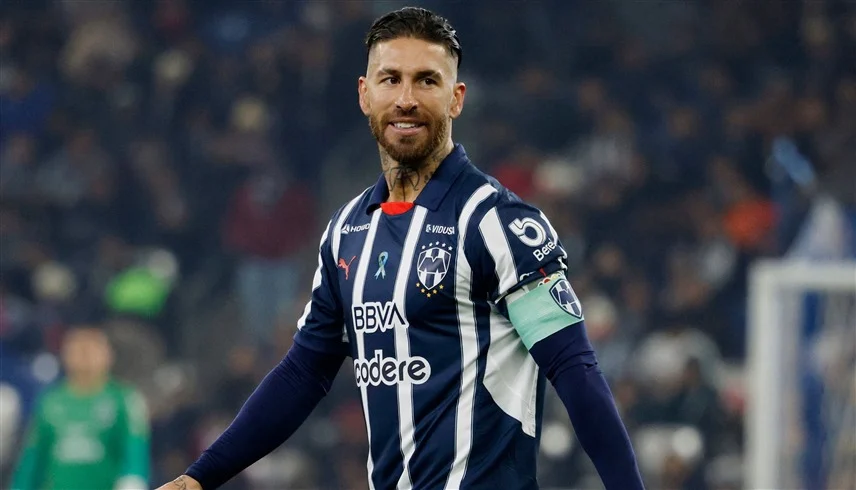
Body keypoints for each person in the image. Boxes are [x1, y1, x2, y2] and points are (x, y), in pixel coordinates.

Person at [157, 7, 644, 490]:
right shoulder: (347, 230)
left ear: (456, 99)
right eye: (391, 79)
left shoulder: (498, 222)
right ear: (364, 94)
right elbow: (303, 373)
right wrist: (198, 479)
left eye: (427, 81)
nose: (406, 99)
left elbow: (574, 369)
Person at [11, 327, 150, 490]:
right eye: (77, 350)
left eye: (92, 350)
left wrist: (132, 482)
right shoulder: (51, 401)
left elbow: (134, 452)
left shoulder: (123, 399)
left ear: (108, 355)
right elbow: (34, 458)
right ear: (65, 356)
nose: (85, 357)